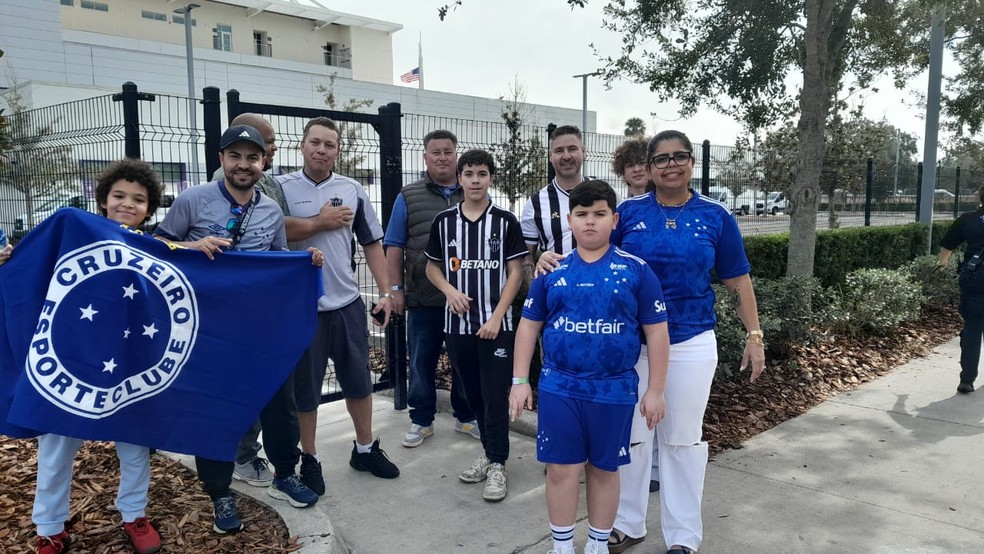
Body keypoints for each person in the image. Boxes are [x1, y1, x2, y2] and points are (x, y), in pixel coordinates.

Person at [155, 125, 324, 533]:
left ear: (263, 162)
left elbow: (279, 261)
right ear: (222, 160)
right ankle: (220, 494)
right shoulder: (192, 200)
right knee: (213, 411)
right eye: (235, 156)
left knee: (278, 403)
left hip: (260, 330)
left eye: (252, 157)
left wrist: (306, 262)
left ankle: (285, 475)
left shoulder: (268, 210)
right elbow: (157, 246)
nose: (243, 165)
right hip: (208, 330)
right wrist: (194, 247)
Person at [609, 130, 765, 553]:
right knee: (634, 436)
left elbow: (738, 280)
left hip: (691, 342)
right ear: (650, 166)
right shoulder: (627, 213)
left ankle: (682, 538)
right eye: (662, 159)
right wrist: (551, 259)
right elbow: (596, 257)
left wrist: (754, 336)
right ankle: (627, 523)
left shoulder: (716, 216)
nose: (671, 165)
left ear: (692, 163)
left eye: (679, 157)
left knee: (681, 440)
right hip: (634, 345)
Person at [510, 180, 669, 554]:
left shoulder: (636, 271)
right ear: (570, 221)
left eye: (599, 214)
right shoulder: (552, 271)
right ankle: (562, 547)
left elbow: (657, 334)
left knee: (603, 469)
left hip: (612, 391)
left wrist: (656, 389)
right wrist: (519, 380)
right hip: (560, 388)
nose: (590, 222)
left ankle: (597, 545)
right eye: (582, 215)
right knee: (562, 470)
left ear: (614, 220)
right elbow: (529, 326)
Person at [22, 158, 165, 554]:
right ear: (103, 200)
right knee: (56, 446)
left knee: (135, 445)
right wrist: (11, 259)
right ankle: (50, 527)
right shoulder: (75, 232)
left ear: (149, 209)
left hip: (129, 369)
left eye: (138, 199)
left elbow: (178, 255)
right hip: (73, 365)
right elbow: (34, 259)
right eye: (119, 195)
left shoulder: (151, 246)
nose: (127, 204)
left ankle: (134, 514)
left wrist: (199, 246)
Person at [278, 116, 400, 488]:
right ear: (301, 146)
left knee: (358, 382)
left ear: (337, 151)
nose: (321, 150)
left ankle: (364, 449)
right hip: (301, 309)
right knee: (306, 393)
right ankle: (310, 459)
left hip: (346, 305)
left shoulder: (351, 189)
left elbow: (372, 243)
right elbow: (273, 228)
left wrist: (386, 293)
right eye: (315, 142)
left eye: (329, 145)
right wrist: (320, 221)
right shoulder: (280, 187)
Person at [424, 149, 526, 502]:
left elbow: (516, 271)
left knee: (495, 393)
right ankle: (489, 452)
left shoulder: (505, 221)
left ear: (491, 178)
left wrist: (498, 315)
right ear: (459, 178)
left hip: (496, 325)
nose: (475, 180)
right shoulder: (444, 221)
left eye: (482, 174)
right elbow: (432, 267)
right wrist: (449, 290)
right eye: (469, 174)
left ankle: (498, 463)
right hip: (458, 327)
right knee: (472, 394)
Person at [384, 129, 479, 449]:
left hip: (466, 300)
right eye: (435, 152)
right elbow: (394, 246)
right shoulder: (407, 196)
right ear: (425, 158)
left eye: (448, 152)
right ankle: (421, 420)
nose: (442, 157)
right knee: (420, 362)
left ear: (456, 155)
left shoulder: (474, 193)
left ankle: (466, 417)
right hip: (423, 299)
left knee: (465, 361)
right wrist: (395, 290)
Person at [211, 113, 285, 488]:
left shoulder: (271, 189)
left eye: (266, 145)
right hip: (217, 316)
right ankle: (229, 461)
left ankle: (244, 454)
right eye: (265, 141)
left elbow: (280, 240)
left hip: (258, 313)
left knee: (257, 387)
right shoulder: (208, 194)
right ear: (224, 157)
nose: (270, 148)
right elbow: (167, 242)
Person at [612, 136, 661, 494]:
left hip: (675, 321)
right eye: (630, 165)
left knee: (666, 403)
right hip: (634, 324)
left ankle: (659, 468)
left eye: (643, 162)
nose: (638, 169)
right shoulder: (622, 212)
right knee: (639, 409)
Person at [937, 186, 984, 394]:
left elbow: (948, 245)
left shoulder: (968, 219)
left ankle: (967, 380)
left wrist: (942, 263)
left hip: (975, 281)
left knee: (973, 329)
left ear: (980, 197)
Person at [520, 125, 588, 269]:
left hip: (602, 287)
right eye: (559, 151)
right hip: (556, 288)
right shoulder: (535, 203)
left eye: (572, 149)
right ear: (550, 156)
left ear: (583, 152)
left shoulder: (606, 195)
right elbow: (526, 258)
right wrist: (536, 287)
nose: (566, 156)